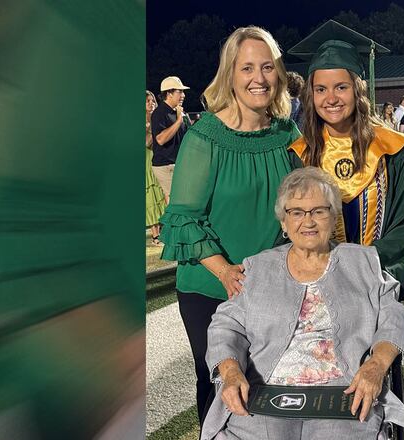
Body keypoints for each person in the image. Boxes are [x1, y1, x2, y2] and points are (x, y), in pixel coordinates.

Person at [158, 26, 300, 428]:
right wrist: (225, 272)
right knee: (223, 389)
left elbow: (300, 202)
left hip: (270, 285)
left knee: (268, 387)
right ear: (230, 75)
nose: (259, 78)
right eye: (247, 68)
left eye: (268, 67)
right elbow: (182, 218)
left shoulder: (286, 133)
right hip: (211, 288)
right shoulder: (205, 137)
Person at [202, 167, 404, 440]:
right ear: (283, 223)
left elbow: (393, 317)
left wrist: (376, 366)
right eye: (297, 212)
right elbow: (225, 326)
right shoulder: (258, 267)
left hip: (343, 391)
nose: (308, 221)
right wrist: (230, 372)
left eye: (319, 211)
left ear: (333, 216)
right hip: (266, 389)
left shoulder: (363, 262)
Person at [289, 39, 404, 302]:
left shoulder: (393, 151)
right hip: (318, 287)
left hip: (376, 280)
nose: (330, 98)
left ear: (358, 90)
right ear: (311, 95)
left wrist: (368, 260)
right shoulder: (301, 154)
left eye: (341, 87)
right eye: (320, 89)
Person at [151, 75, 191, 205]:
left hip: (178, 163)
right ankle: (173, 225)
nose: (183, 95)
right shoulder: (159, 113)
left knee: (183, 198)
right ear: (169, 93)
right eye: (179, 91)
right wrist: (179, 121)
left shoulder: (178, 112)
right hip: (165, 165)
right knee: (175, 200)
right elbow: (161, 139)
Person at [145, 90, 166, 245]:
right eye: (147, 101)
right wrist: (154, 128)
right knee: (151, 195)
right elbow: (147, 142)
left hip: (160, 158)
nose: (151, 104)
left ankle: (164, 229)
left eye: (152, 101)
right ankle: (155, 234)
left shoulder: (158, 118)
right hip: (146, 160)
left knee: (161, 193)